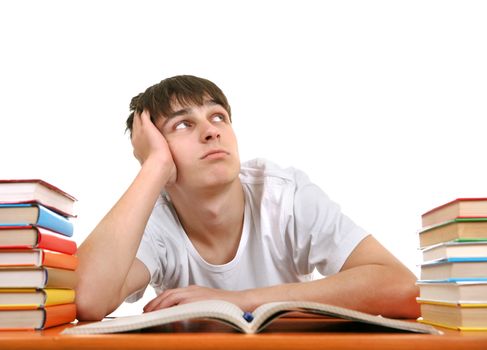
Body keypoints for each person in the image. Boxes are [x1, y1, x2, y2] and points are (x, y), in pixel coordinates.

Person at [75, 75, 420, 321]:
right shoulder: (153, 221)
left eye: (218, 117)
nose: (212, 130)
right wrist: (153, 168)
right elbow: (87, 299)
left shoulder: (284, 194)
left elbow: (403, 287)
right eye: (182, 125)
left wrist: (240, 301)